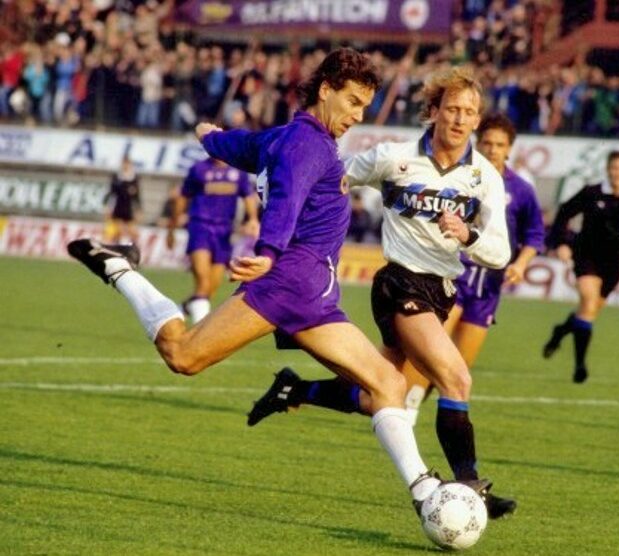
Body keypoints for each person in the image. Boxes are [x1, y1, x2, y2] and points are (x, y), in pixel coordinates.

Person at [67, 48, 465, 517]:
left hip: (314, 294)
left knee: (387, 385)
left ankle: (423, 493)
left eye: (364, 106)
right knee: (184, 355)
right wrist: (269, 251)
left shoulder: (286, 137)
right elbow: (286, 202)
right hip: (288, 284)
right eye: (353, 102)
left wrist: (212, 139)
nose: (358, 116)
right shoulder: (307, 145)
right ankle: (121, 269)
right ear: (325, 90)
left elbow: (243, 148)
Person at [248, 67, 516, 519]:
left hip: (441, 290)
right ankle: (471, 487)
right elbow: (331, 178)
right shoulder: (393, 158)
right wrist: (286, 208)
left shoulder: (485, 177)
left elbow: (500, 253)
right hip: (399, 284)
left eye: (469, 112)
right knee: (456, 377)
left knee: (379, 392)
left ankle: (295, 390)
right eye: (452, 109)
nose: (459, 119)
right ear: (433, 112)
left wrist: (468, 234)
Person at [402, 112, 545, 425]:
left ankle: (416, 401)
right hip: (454, 276)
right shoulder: (462, 177)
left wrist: (521, 263)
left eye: (500, 145)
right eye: (488, 143)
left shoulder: (521, 190)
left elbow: (535, 233)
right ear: (478, 143)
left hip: (488, 288)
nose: (493, 149)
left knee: (458, 366)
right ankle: (406, 412)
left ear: (510, 149)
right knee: (433, 351)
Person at [542, 150, 619, 383]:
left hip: (614, 265)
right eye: (615, 168)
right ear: (607, 169)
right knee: (587, 300)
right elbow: (564, 213)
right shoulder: (591, 193)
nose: (618, 173)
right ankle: (579, 366)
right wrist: (562, 243)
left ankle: (561, 331)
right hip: (586, 257)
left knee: (590, 311)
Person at [167, 157, 260, 324]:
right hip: (199, 228)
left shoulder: (237, 171)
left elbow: (248, 195)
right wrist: (171, 229)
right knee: (203, 282)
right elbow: (183, 197)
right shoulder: (199, 169)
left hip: (224, 232)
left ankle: (180, 310)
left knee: (209, 290)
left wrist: (253, 219)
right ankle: (200, 329)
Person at [104, 155, 141, 244]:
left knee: (133, 232)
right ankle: (116, 248)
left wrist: (138, 209)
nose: (125, 165)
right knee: (118, 232)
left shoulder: (134, 177)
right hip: (118, 207)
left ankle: (134, 248)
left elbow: (137, 196)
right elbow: (111, 193)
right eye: (124, 163)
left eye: (127, 163)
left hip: (128, 208)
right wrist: (107, 207)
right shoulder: (116, 177)